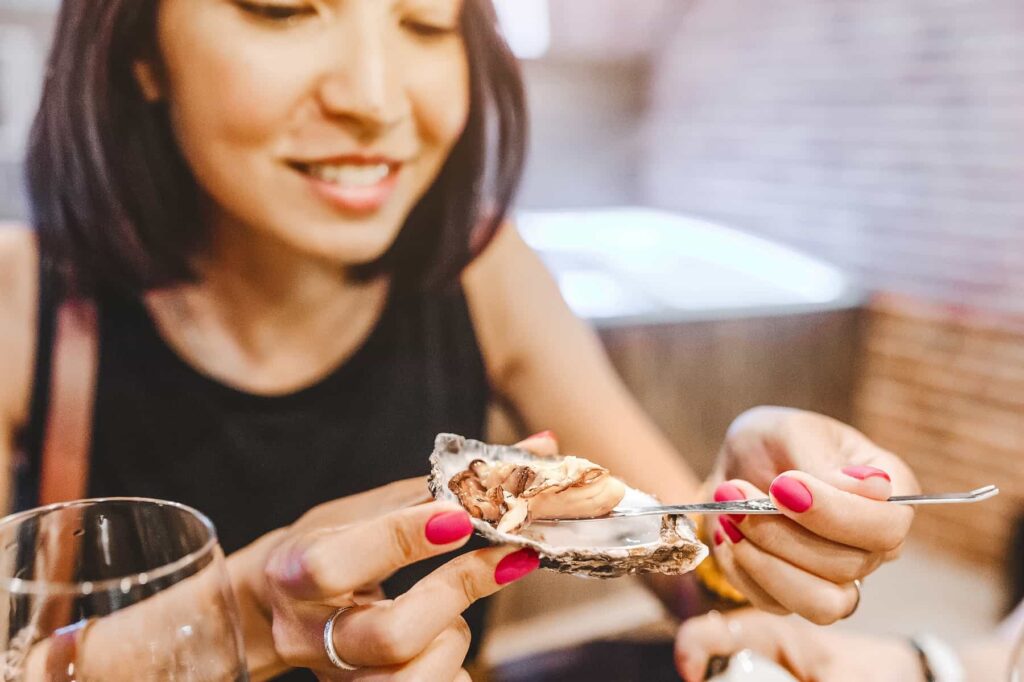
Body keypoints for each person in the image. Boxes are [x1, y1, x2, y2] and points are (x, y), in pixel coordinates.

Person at [0, 0, 919, 677]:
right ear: (139, 51)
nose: (373, 97)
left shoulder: (485, 271)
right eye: (282, 10)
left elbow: (689, 572)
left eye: (428, 23)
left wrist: (752, 529)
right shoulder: (24, 306)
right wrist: (244, 615)